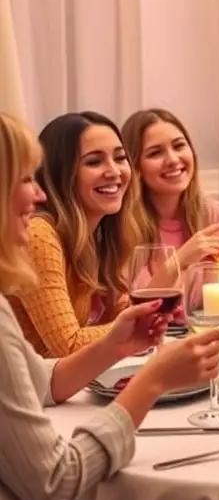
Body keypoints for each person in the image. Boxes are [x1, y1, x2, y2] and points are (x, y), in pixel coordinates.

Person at [0, 110, 219, 500]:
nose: (37, 195)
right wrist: (149, 382)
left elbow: (44, 379)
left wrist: (121, 343)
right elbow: (54, 483)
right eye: (26, 179)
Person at [9, 112, 139, 357]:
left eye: (120, 158)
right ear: (61, 175)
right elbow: (68, 345)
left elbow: (120, 311)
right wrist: (136, 323)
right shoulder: (39, 235)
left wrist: (138, 318)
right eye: (94, 162)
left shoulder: (100, 233)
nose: (114, 171)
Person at [122, 108, 219, 270]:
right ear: (135, 167)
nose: (173, 159)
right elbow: (132, 295)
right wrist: (181, 259)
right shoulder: (123, 228)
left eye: (179, 146)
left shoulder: (216, 217)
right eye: (155, 153)